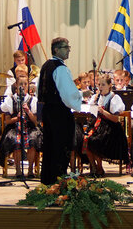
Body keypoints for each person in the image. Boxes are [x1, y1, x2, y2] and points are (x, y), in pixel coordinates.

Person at [38, 37, 82, 185]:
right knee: (61, 148)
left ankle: (48, 182)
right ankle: (58, 183)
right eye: (65, 47)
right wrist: (81, 97)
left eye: (68, 46)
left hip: (48, 112)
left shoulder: (46, 65)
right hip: (59, 113)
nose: (69, 49)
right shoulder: (60, 68)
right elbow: (68, 95)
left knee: (50, 148)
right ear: (56, 49)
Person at [82, 75, 130, 176]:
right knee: (84, 139)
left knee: (95, 141)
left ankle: (99, 168)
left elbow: (115, 119)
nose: (100, 87)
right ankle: (94, 166)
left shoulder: (114, 98)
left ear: (109, 85)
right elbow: (88, 111)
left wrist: (103, 111)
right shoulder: (97, 97)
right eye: (99, 85)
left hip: (111, 128)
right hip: (97, 125)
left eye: (103, 85)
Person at [0, 75, 42, 177]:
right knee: (16, 140)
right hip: (14, 127)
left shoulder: (32, 100)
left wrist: (28, 112)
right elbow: (7, 121)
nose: (23, 86)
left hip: (29, 126)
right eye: (21, 84)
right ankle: (18, 170)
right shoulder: (10, 99)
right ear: (16, 85)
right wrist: (17, 118)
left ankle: (30, 170)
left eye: (25, 84)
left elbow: (35, 121)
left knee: (33, 139)